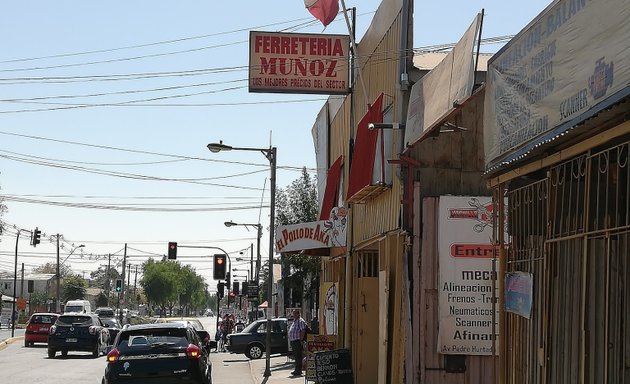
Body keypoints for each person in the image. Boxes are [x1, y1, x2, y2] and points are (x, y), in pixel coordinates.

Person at [288, 309, 308, 376]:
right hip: (293, 341)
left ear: (298, 314)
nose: (293, 315)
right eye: (293, 314)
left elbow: (303, 330)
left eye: (294, 314)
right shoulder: (295, 321)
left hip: (297, 341)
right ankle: (296, 369)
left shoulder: (300, 321)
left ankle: (298, 370)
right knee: (296, 356)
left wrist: (301, 340)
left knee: (298, 356)